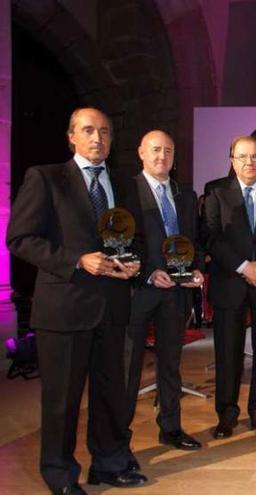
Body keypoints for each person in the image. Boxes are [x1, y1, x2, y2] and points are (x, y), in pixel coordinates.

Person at [6, 107, 144, 493]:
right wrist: (76, 261)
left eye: (104, 131)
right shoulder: (46, 178)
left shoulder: (124, 185)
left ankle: (109, 464)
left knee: (109, 395)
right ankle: (60, 475)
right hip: (65, 309)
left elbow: (132, 242)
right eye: (87, 130)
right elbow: (20, 239)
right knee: (62, 402)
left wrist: (133, 263)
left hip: (113, 307)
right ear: (71, 137)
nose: (97, 138)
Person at [201, 135, 256, 439]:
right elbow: (210, 237)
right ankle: (226, 415)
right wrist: (244, 267)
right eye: (242, 157)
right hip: (230, 281)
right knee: (228, 352)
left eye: (255, 156)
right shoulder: (215, 191)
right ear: (231, 160)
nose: (249, 162)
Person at [122, 130, 204, 452]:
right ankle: (119, 440)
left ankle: (170, 428)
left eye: (168, 151)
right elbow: (119, 243)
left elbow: (194, 242)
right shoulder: (126, 191)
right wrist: (147, 272)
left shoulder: (185, 195)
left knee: (171, 364)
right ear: (141, 152)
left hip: (175, 294)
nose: (162, 156)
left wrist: (196, 268)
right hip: (137, 292)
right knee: (129, 367)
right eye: (155, 150)